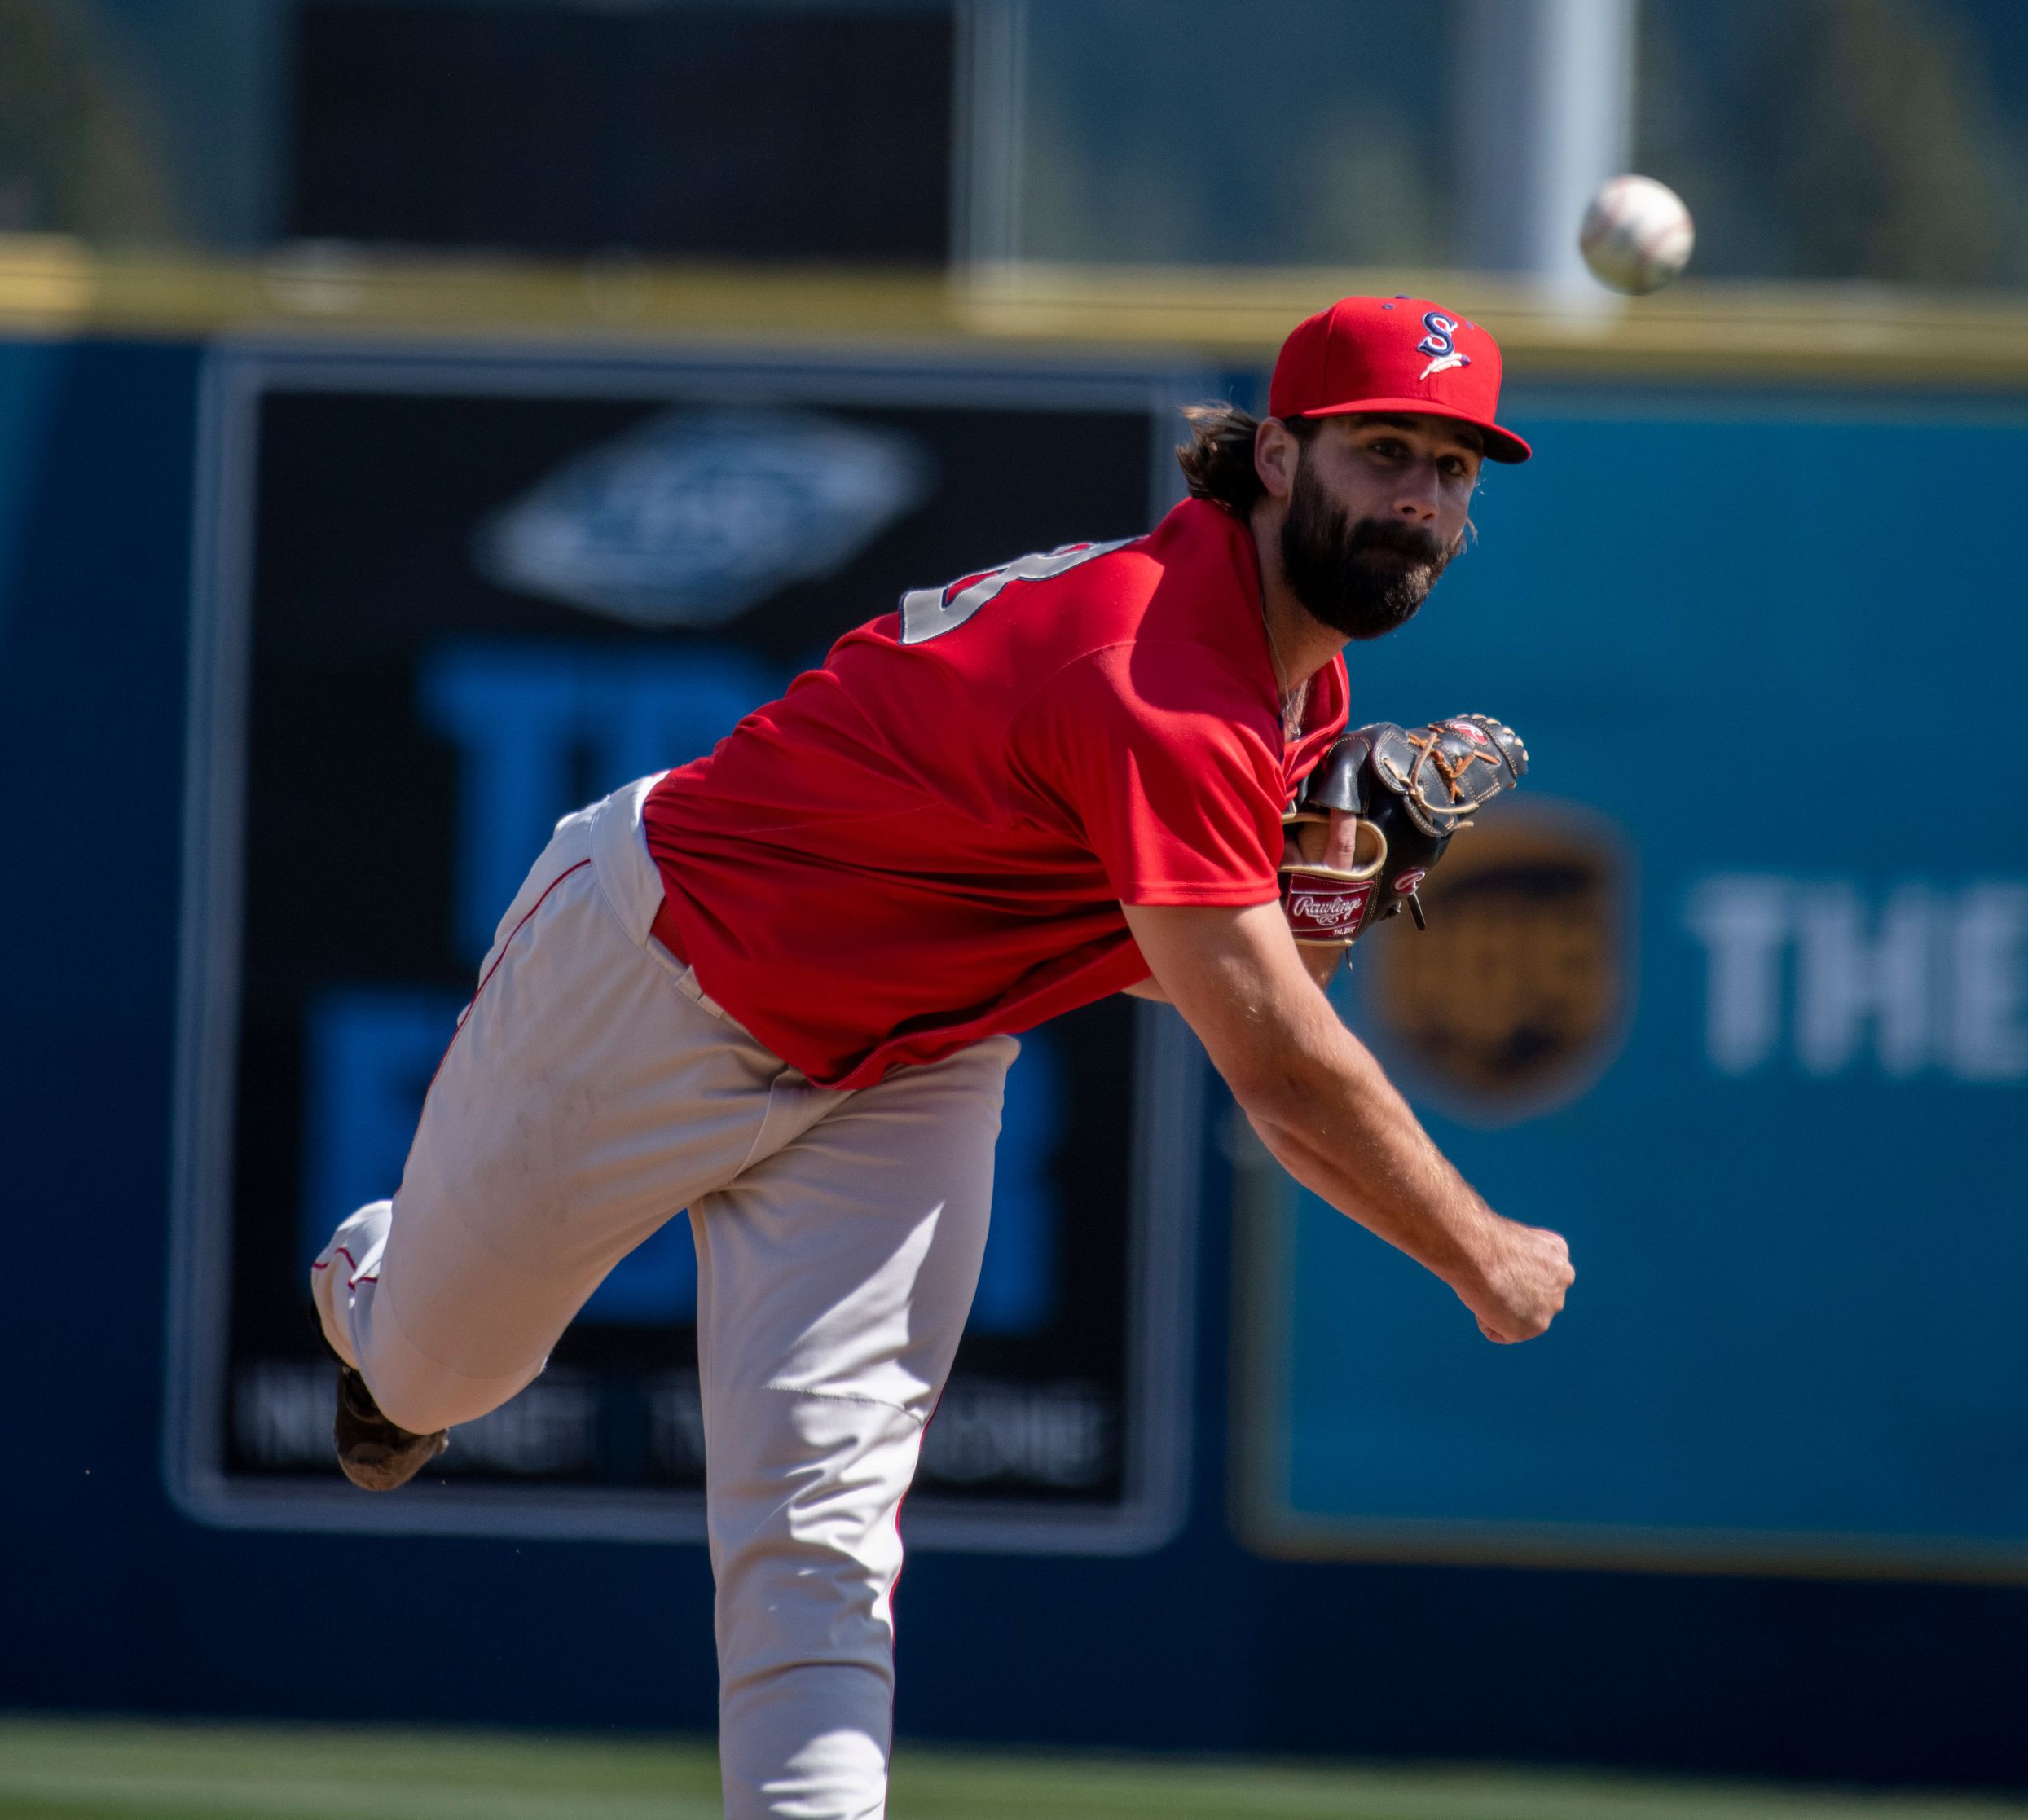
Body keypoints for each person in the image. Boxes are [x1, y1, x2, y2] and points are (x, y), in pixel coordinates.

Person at [310, 295, 1575, 1820]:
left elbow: (1216, 978)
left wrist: (1324, 892)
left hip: (913, 1053)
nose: (1421, 503)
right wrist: (1481, 1253)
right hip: (658, 972)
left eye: (1454, 470)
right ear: (1280, 453)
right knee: (439, 1374)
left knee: (826, 1527)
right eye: (1387, 453)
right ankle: (371, 1282)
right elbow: (1283, 1075)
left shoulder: (1294, 676)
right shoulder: (1160, 673)